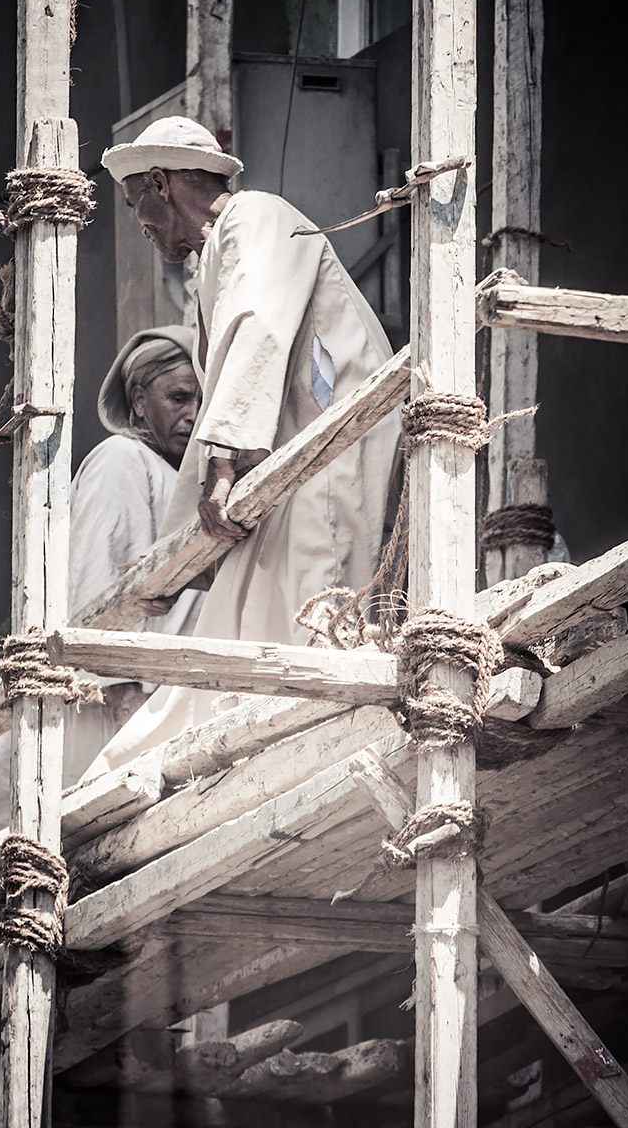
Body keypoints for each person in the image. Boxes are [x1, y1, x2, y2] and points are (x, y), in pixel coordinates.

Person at [78, 116, 402, 775]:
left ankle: (306, 757)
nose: (139, 223)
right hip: (290, 469)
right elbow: (231, 381)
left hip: (326, 462)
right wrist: (179, 563)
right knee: (243, 625)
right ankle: (235, 760)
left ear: (161, 184)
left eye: (135, 201)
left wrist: (223, 462)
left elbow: (256, 328)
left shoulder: (257, 217)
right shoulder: (219, 254)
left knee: (314, 613)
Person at [0, 326, 202, 857]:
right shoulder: (122, 460)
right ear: (139, 401)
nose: (193, 414)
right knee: (8, 862)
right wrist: (126, 708)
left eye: (201, 400)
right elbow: (98, 591)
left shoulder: (178, 482)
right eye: (178, 398)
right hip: (95, 707)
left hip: (132, 709)